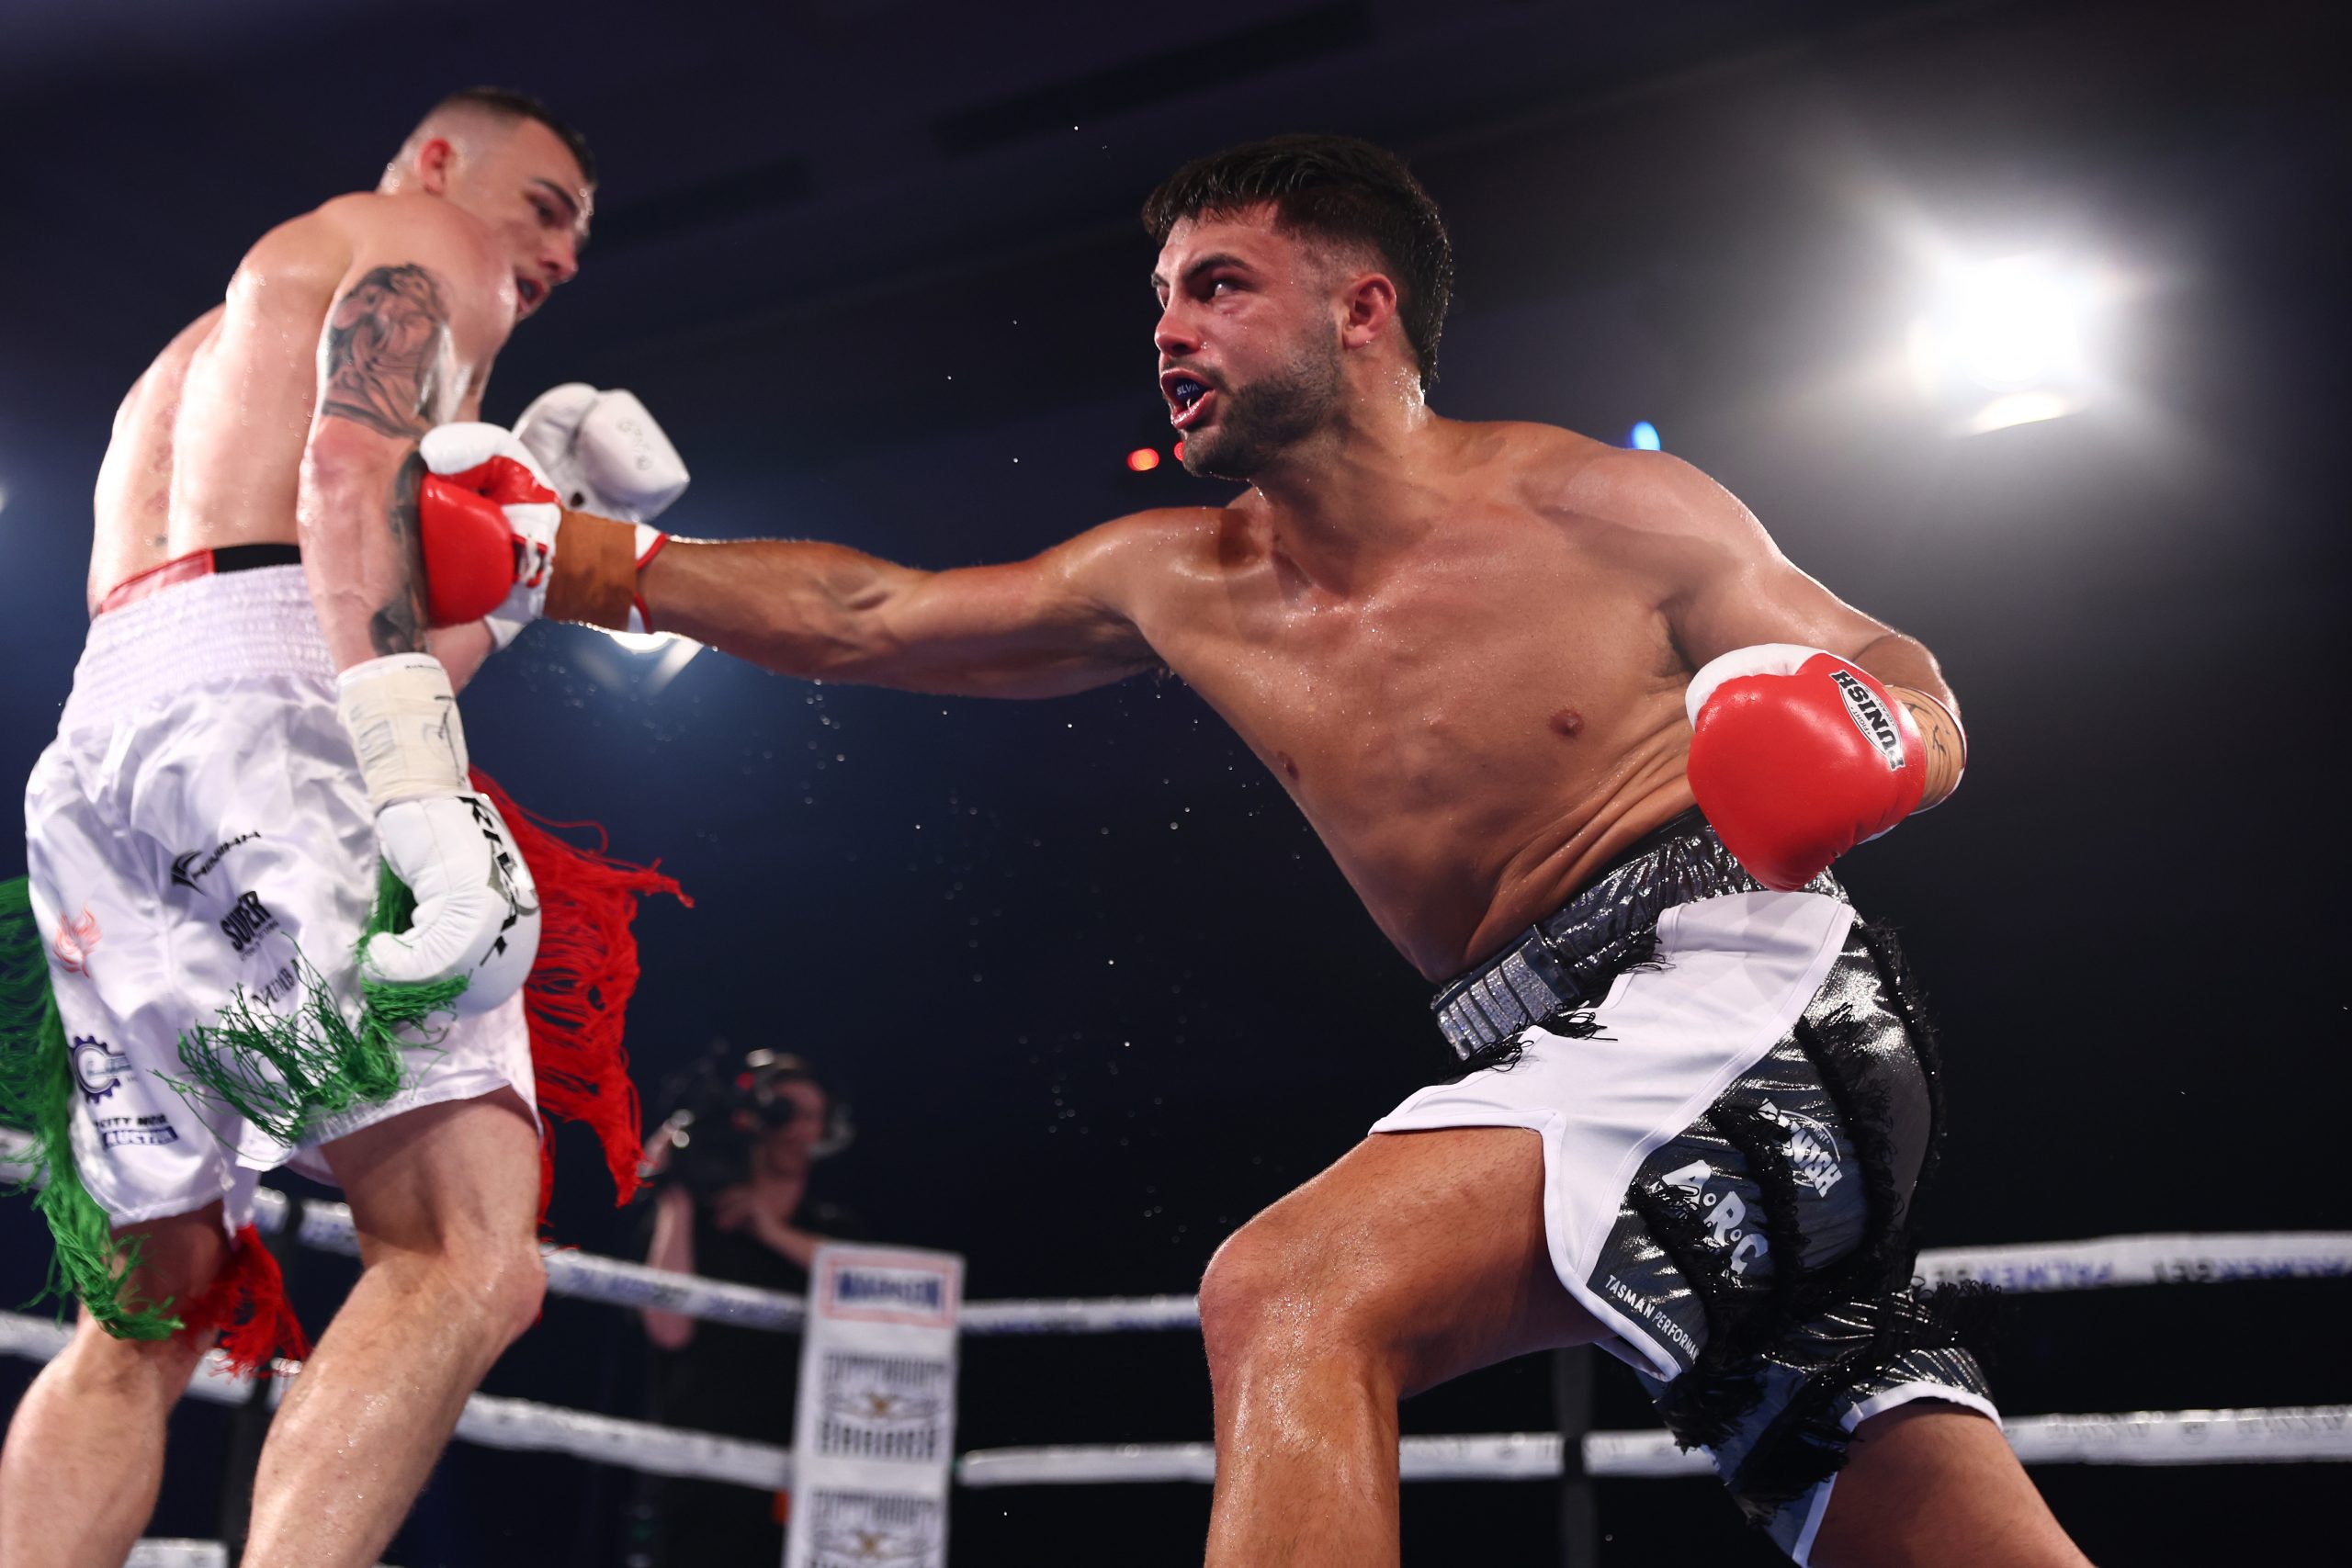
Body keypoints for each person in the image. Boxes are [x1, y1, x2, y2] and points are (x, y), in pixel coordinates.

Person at [426, 135, 2089, 1565]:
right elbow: (874, 616)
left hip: (1729, 977)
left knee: (1293, 1293)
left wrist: (1858, 747)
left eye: (1218, 285)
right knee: (1898, 1491)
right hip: (1565, 1038)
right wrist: (562, 559)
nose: (1168, 329)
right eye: (1161, 298)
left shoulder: (1595, 506)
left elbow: (1907, 679)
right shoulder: (1181, 576)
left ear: (1362, 310)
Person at [0, 89, 600, 1568]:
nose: (563, 254)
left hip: (107, 748)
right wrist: (411, 787)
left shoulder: (187, 365)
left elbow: (267, 586)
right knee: (464, 1248)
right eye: (549, 205)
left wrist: (513, 579)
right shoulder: (423, 241)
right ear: (446, 163)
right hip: (273, 713)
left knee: (145, 1303)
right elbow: (339, 493)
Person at [628, 1049, 856, 1567]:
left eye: (810, 1116)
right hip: (693, 1471)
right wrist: (674, 1195)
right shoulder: (694, 1228)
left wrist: (770, 1231)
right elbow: (667, 1329)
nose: (796, 1129)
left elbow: (871, 1287)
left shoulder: (835, 1233)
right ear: (753, 1119)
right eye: (783, 1112)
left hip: (804, 1471)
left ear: (827, 1129)